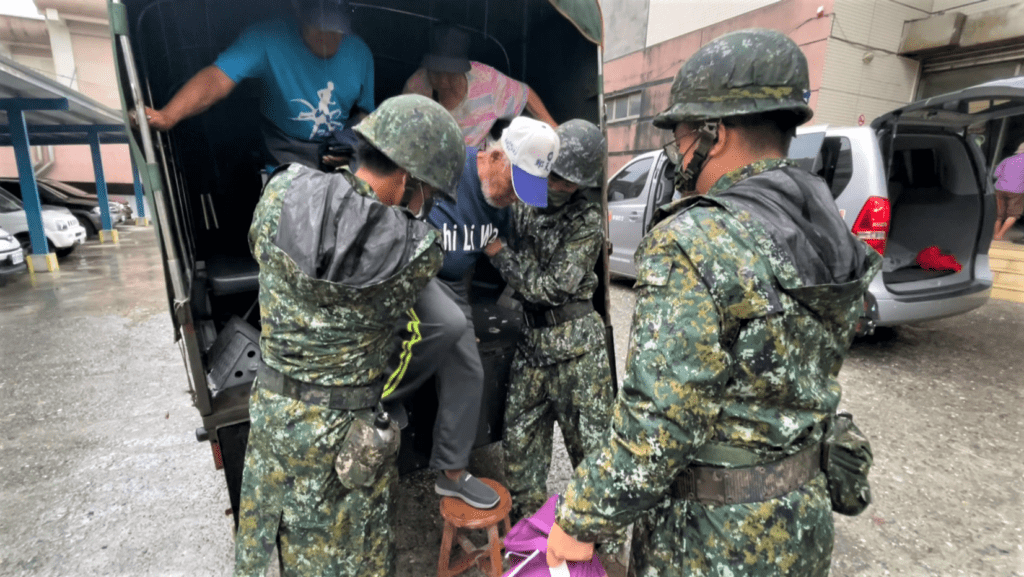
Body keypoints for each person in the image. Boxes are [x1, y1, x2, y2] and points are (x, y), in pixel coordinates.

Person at [545, 29, 883, 576]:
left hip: (711, 539)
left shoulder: (696, 238)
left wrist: (579, 519)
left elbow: (659, 424)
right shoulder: (822, 221)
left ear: (714, 133)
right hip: (802, 521)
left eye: (680, 135)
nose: (676, 151)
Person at [232, 94, 464, 577]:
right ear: (407, 177)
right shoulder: (416, 250)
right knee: (352, 557)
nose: (424, 204)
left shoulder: (281, 191)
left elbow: (261, 249)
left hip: (273, 413)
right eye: (428, 192)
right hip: (342, 435)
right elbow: (424, 322)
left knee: (277, 538)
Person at [381, 116, 559, 509]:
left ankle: (452, 474)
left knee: (469, 370)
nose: (515, 198)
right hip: (411, 275)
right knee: (445, 322)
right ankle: (381, 394)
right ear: (495, 157)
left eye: (525, 192)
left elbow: (485, 259)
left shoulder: (503, 206)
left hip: (453, 287)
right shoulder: (449, 166)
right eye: (514, 186)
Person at [480, 119, 612, 524]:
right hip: (531, 346)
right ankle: (530, 536)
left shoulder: (586, 222)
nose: (556, 186)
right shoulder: (524, 202)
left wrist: (499, 253)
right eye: (552, 175)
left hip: (578, 354)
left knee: (595, 462)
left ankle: (598, 545)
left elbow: (551, 288)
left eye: (567, 182)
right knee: (519, 452)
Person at [142, 0, 374, 169]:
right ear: (298, 11)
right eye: (319, 31)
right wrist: (168, 115)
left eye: (335, 31)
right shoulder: (267, 39)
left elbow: (366, 114)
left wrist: (352, 147)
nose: (327, 40)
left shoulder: (360, 53)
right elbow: (216, 80)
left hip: (338, 153)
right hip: (286, 152)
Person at [403, 24, 557, 148]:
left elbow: (526, 95)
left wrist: (556, 131)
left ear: (461, 68)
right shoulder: (415, 87)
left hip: (477, 160)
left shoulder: (486, 81)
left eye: (450, 74)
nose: (443, 82)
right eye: (436, 73)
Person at [993, 142, 1024, 241]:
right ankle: (1000, 235)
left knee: (998, 214)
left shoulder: (1007, 160)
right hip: (1017, 190)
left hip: (1000, 188)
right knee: (1013, 214)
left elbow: (996, 174)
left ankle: (996, 234)